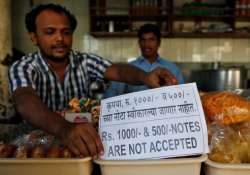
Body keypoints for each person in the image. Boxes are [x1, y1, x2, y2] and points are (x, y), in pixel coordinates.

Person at [8, 4, 178, 158]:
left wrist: (144, 77)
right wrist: (64, 129)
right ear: (34, 37)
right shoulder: (23, 67)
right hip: (35, 149)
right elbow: (25, 101)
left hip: (83, 147)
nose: (60, 39)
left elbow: (119, 71)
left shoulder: (85, 61)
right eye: (50, 32)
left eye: (66, 32)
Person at [104, 23, 184, 98]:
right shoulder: (128, 69)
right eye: (143, 40)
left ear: (159, 43)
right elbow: (111, 94)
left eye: (151, 40)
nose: (147, 44)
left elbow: (182, 95)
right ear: (139, 43)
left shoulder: (173, 69)